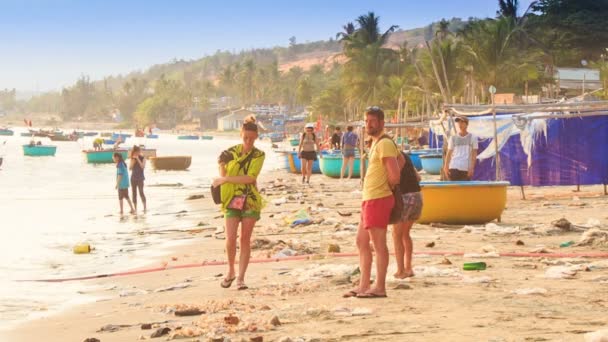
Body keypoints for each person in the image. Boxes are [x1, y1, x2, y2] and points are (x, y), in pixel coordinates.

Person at [344, 106, 401, 299]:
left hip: (378, 198)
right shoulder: (376, 143)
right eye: (367, 121)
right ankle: (363, 284)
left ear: (381, 123)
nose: (369, 124)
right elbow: (401, 159)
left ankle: (380, 286)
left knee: (378, 244)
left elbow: (395, 173)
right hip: (368, 198)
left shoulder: (385, 143)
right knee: (361, 241)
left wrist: (388, 187)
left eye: (373, 121)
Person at [212, 115, 265, 291]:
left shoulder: (259, 154)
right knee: (230, 238)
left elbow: (250, 178)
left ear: (256, 137)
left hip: (249, 199)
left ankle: (241, 278)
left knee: (244, 239)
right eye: (245, 138)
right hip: (231, 199)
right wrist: (222, 167)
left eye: (251, 138)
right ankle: (231, 271)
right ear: (241, 134)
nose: (248, 141)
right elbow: (222, 173)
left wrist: (225, 179)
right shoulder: (230, 152)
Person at [393, 151, 422, 279]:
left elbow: (392, 178)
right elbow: (418, 177)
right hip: (417, 196)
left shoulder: (390, 157)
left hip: (404, 197)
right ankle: (408, 267)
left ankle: (400, 270)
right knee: (405, 234)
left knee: (396, 235)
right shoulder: (405, 155)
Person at [443, 116, 478, 181]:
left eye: (462, 122)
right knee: (454, 188)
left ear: (467, 124)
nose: (460, 124)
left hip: (466, 168)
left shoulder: (473, 137)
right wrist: (446, 166)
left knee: (465, 189)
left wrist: (472, 168)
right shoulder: (453, 138)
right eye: (458, 122)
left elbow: (474, 154)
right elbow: (449, 153)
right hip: (453, 166)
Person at [129, 146, 147, 213]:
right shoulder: (132, 158)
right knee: (134, 193)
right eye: (135, 152)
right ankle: (135, 208)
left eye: (138, 151)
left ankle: (145, 207)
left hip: (140, 178)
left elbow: (142, 167)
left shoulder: (143, 158)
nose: (137, 153)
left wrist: (138, 159)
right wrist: (133, 160)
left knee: (141, 192)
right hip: (133, 178)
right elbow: (130, 168)